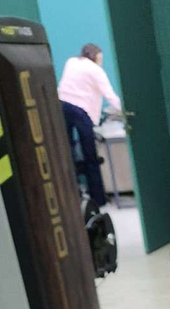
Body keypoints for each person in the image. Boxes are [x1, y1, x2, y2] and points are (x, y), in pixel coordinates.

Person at [58, 43, 122, 206]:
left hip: (62, 106)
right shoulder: (95, 70)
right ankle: (98, 199)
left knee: (68, 153)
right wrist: (123, 111)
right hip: (82, 111)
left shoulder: (71, 62)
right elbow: (109, 94)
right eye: (100, 59)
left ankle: (74, 197)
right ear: (95, 57)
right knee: (90, 157)